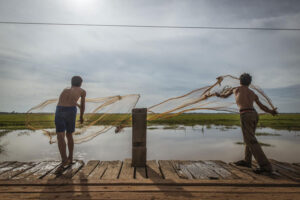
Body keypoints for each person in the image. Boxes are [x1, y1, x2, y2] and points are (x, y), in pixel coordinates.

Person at [216, 73, 277, 174]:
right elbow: (262, 107)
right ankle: (247, 161)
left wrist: (217, 95)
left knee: (251, 140)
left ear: (240, 81)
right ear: (249, 83)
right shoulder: (253, 93)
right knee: (249, 138)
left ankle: (265, 166)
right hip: (254, 115)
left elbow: (224, 96)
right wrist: (271, 111)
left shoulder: (236, 89)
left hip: (246, 115)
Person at [54, 76, 86, 173]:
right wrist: (81, 116)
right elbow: (82, 105)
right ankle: (70, 158)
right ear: (81, 83)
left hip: (59, 109)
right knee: (69, 134)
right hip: (71, 111)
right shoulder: (82, 91)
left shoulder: (65, 89)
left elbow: (70, 100)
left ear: (71, 82)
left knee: (60, 135)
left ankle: (65, 159)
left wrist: (77, 105)